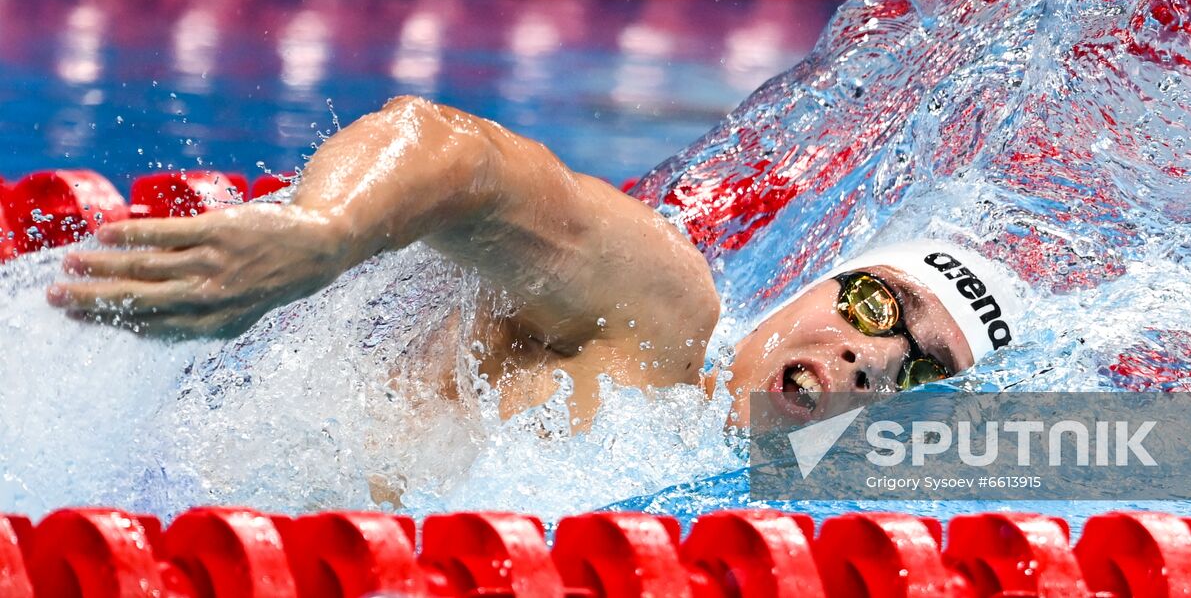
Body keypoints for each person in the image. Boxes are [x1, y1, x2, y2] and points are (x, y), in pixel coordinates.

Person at [47, 95, 1024, 428]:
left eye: (921, 368)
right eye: (870, 304)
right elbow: (455, 150)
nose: (873, 359)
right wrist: (322, 233)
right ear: (810, 287)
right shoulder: (662, 315)